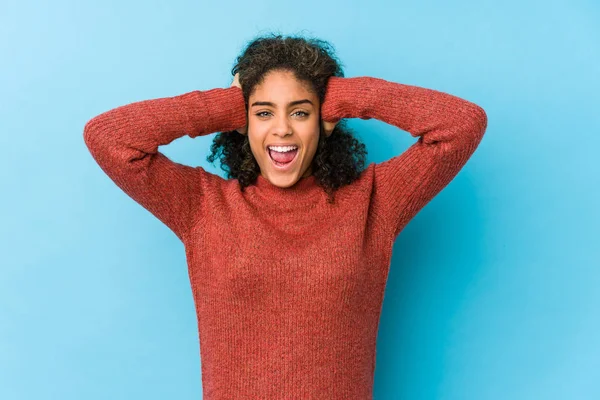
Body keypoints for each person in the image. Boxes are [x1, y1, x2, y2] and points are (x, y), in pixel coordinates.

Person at [83, 33, 487, 399]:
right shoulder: (202, 206)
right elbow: (110, 138)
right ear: (242, 123)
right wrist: (223, 105)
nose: (282, 130)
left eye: (299, 112)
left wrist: (345, 95)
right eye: (263, 113)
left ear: (324, 121)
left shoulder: (374, 201)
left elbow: (461, 125)